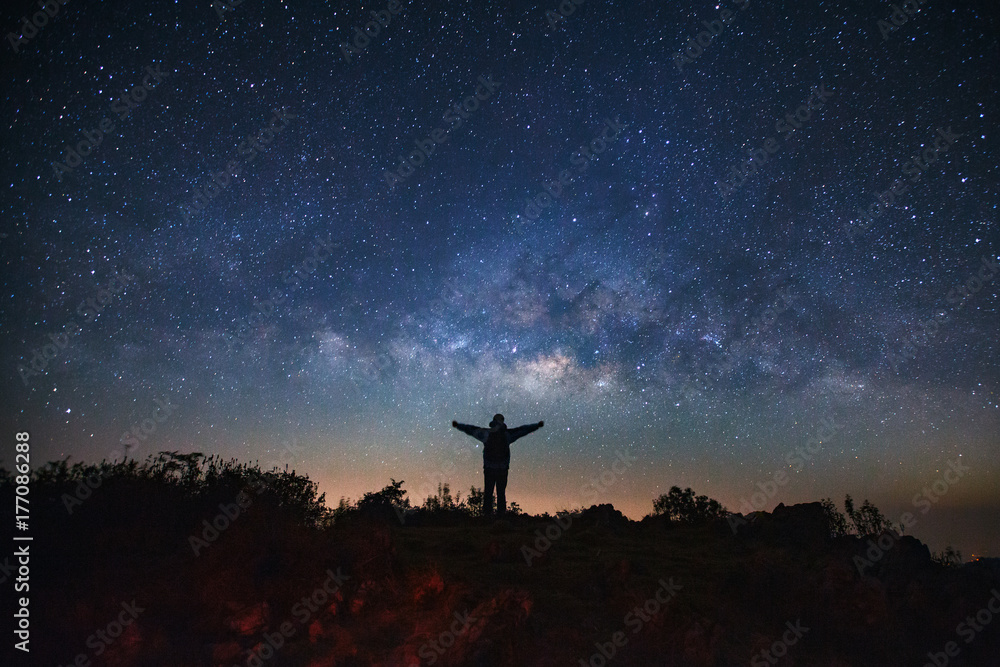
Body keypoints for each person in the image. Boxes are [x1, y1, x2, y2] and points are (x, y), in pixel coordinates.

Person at [452, 413, 543, 517]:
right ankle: (500, 516)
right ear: (502, 421)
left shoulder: (486, 433)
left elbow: (471, 430)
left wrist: (459, 426)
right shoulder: (507, 434)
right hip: (502, 469)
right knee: (500, 493)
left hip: (490, 468)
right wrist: (536, 426)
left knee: (489, 493)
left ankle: (487, 515)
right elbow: (522, 430)